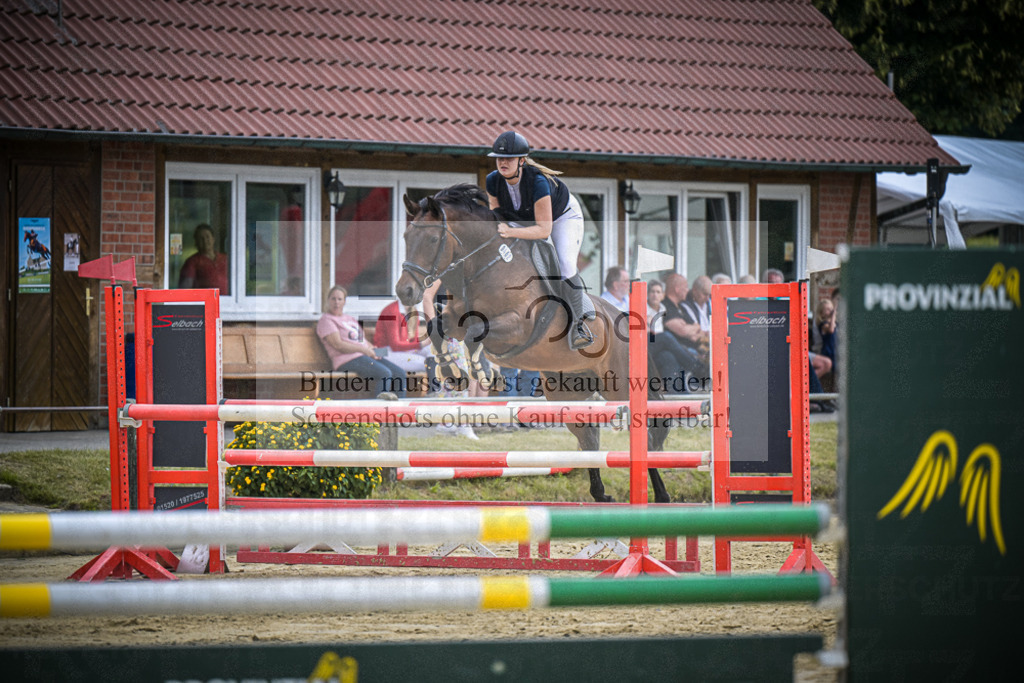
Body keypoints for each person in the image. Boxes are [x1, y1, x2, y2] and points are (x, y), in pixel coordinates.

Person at [486, 130, 593, 350]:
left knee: (565, 264)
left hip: (562, 216)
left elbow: (544, 231)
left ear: (521, 161)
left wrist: (510, 232)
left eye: (508, 158)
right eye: (499, 158)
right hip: (523, 220)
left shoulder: (538, 182)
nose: (502, 162)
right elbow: (497, 218)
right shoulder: (492, 181)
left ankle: (579, 325)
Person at [317, 286, 406, 398]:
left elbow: (362, 341)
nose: (336, 302)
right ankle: (380, 407)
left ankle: (400, 407)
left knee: (400, 373)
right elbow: (338, 344)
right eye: (333, 299)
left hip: (364, 356)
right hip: (347, 359)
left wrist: (373, 350)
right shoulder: (326, 320)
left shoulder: (350, 319)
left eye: (340, 299)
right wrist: (364, 350)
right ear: (328, 300)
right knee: (384, 373)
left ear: (344, 301)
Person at [374, 299, 433, 376]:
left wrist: (427, 342)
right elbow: (395, 346)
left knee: (432, 351)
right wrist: (421, 344)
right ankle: (434, 382)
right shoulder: (392, 311)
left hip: (402, 349)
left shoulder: (413, 311)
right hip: (383, 351)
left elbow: (413, 340)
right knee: (425, 363)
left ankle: (436, 382)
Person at [178, 224, 229, 293]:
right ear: (196, 242)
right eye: (201, 238)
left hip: (228, 299)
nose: (205, 241)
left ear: (213, 239)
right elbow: (184, 289)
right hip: (205, 299)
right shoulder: (192, 262)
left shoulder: (225, 259)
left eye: (207, 237)